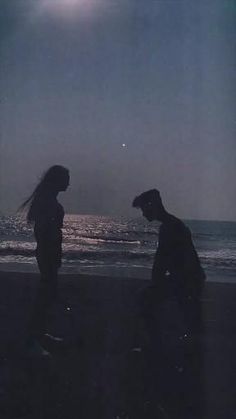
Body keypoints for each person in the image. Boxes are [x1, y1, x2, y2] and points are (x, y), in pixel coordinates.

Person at [132, 189, 206, 345]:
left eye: (144, 209)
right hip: (188, 277)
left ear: (152, 206)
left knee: (146, 302)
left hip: (185, 279)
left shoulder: (169, 227)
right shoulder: (173, 224)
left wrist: (157, 281)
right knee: (189, 316)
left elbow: (162, 259)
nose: (144, 214)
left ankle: (157, 344)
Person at [20, 165, 70, 355]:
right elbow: (43, 231)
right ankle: (33, 339)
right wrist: (50, 252)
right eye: (66, 178)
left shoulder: (49, 200)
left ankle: (39, 334)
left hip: (50, 251)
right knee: (46, 294)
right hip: (47, 252)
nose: (69, 183)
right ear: (57, 180)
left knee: (48, 293)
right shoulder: (47, 202)